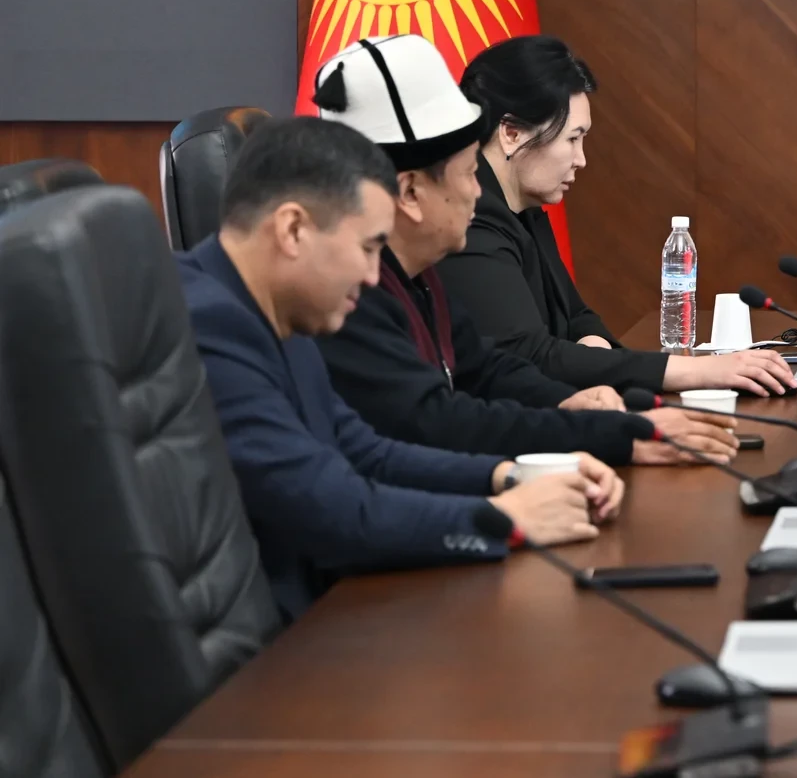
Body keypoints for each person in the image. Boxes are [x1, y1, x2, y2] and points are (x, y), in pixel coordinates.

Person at [179, 115, 621, 620]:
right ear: (293, 229)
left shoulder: (274, 309)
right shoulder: (208, 325)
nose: (374, 277)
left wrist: (512, 475)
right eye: (368, 248)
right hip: (275, 648)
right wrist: (504, 519)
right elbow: (332, 506)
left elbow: (364, 451)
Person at [309, 35, 737, 467]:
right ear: (410, 193)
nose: (478, 191)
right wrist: (595, 438)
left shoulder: (420, 277)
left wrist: (570, 404)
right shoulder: (353, 297)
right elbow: (437, 424)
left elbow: (486, 366)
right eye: (469, 173)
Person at [441, 35, 794, 398]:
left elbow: (576, 316)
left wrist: (594, 354)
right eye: (572, 139)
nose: (581, 160)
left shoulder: (523, 208)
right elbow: (530, 357)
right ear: (512, 134)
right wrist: (699, 370)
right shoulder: (470, 219)